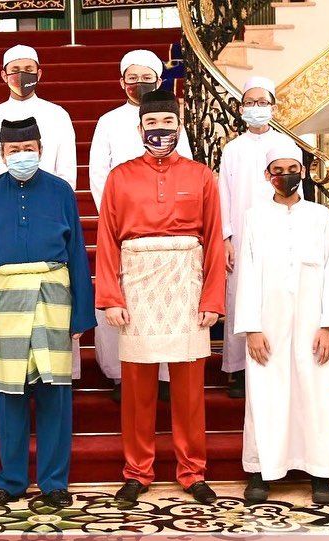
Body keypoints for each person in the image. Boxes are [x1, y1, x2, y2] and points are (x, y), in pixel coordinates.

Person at [95, 90, 225, 505]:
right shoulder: (120, 177)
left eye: (167, 124)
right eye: (152, 124)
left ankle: (192, 470)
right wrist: (111, 296)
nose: (160, 131)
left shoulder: (202, 175)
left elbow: (215, 239)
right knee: (137, 389)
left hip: (185, 281)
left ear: (178, 126)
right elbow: (107, 240)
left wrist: (212, 298)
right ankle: (138, 471)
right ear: (140, 129)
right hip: (137, 283)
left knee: (189, 388)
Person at [0, 117, 96, 509]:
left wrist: (81, 314)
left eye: (28, 150)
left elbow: (76, 252)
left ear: (40, 150)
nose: (22, 156)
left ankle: (54, 482)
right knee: (9, 394)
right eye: (13, 151)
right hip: (4, 301)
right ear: (1, 154)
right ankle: (11, 480)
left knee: (55, 392)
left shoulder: (60, 191)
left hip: (52, 297)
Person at [234, 143, 329, 505]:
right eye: (278, 169)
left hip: (314, 323)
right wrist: (251, 327)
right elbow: (246, 273)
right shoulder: (253, 217)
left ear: (303, 171)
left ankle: (320, 473)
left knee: (316, 396)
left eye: (293, 168)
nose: (287, 175)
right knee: (266, 394)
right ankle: (260, 471)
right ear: (268, 176)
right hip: (267, 322)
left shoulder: (320, 216)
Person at [0, 44, 79, 402]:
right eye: (15, 69)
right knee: (7, 373)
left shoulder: (58, 115)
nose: (22, 75)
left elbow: (66, 168)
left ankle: (57, 377)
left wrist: (48, 200)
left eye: (29, 68)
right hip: (2, 211)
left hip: (48, 209)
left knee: (54, 376)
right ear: (3, 75)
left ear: (40, 72)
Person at [89, 49, 193, 401]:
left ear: (159, 81)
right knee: (126, 301)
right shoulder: (107, 121)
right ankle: (122, 375)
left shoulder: (172, 118)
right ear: (121, 82)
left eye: (146, 77)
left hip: (170, 229)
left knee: (167, 301)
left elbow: (187, 170)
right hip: (125, 227)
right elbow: (99, 174)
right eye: (131, 78)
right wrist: (115, 219)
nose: (139, 84)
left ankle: (165, 375)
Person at [219, 76, 299, 398]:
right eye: (250, 103)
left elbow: (296, 190)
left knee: (275, 294)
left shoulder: (287, 147)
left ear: (273, 107)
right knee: (240, 297)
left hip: (278, 231)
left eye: (262, 102)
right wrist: (226, 236)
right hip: (240, 234)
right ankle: (238, 369)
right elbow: (223, 193)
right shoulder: (232, 149)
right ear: (241, 109)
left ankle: (275, 360)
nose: (256, 108)